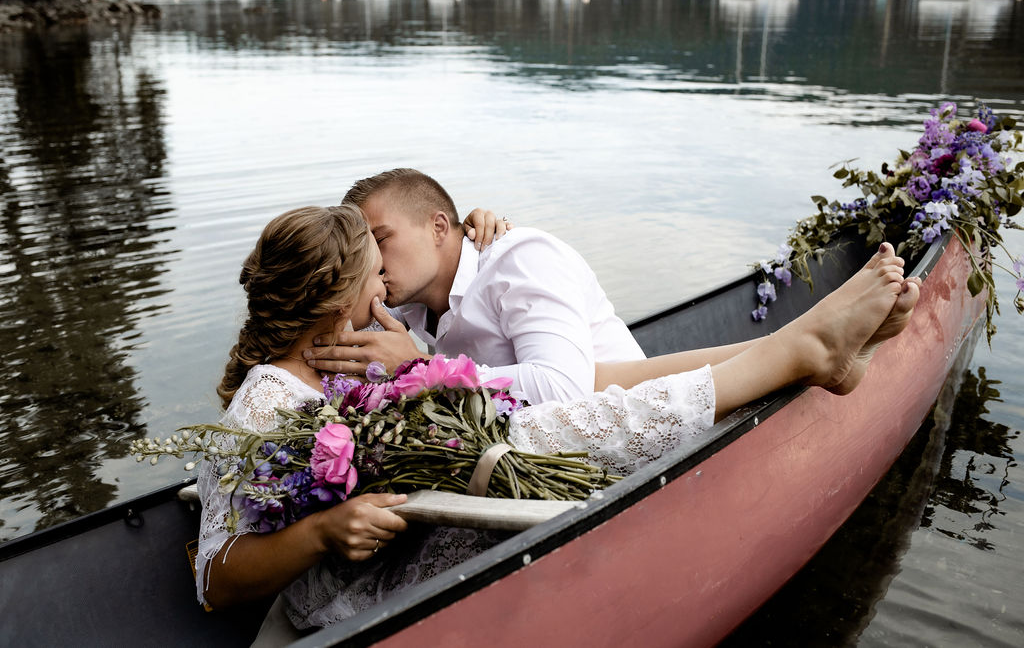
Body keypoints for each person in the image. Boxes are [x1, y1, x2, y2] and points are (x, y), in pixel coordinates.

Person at [198, 204, 919, 631]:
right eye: (372, 279)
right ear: (334, 301)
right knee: (537, 429)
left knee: (559, 406)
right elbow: (215, 578)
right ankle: (799, 351)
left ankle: (795, 350)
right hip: (350, 596)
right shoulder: (268, 399)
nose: (385, 290)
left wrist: (474, 230)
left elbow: (437, 288)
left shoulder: (346, 366)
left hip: (412, 536)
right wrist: (323, 529)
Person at [303, 168, 647, 404]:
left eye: (380, 240)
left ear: (438, 228)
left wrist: (421, 368)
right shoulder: (407, 295)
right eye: (365, 252)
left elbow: (563, 388)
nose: (374, 262)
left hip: (618, 423)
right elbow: (336, 334)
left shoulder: (520, 258)